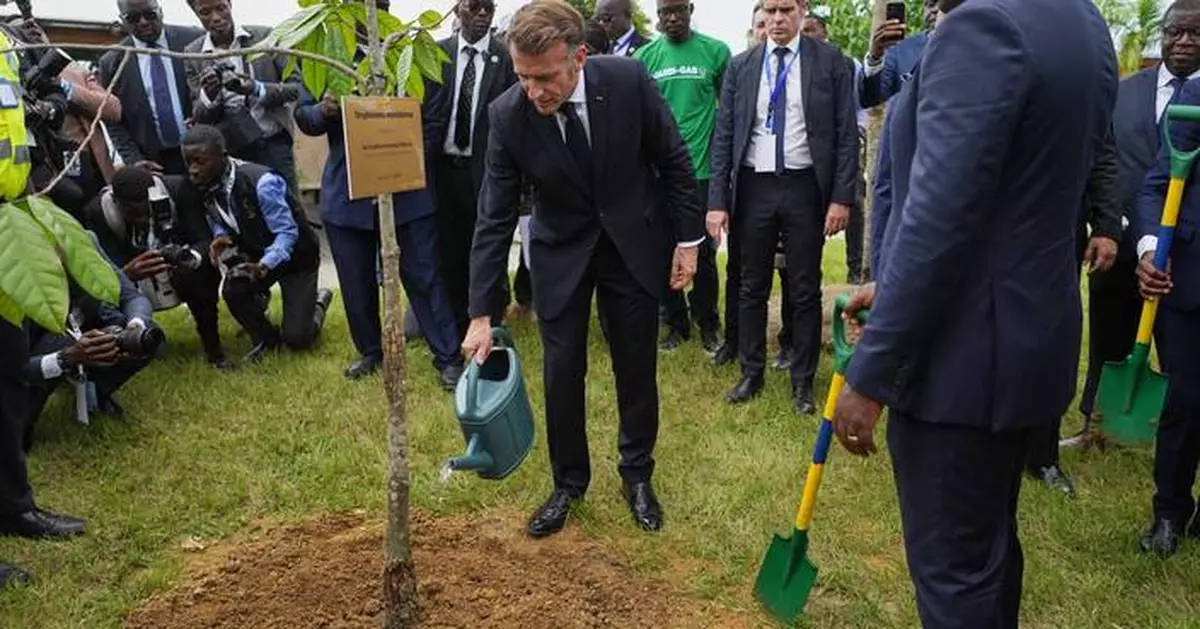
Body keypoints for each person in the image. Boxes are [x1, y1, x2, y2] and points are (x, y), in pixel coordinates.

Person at [832, 0, 1116, 627]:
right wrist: (892, 284)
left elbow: (939, 221)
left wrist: (870, 375)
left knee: (954, 579)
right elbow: (1008, 195)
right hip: (1027, 339)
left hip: (960, 363)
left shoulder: (981, 27)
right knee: (988, 556)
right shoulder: (1083, 22)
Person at [463, 0, 702, 538]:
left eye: (545, 77)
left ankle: (637, 476)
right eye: (524, 77)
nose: (534, 91)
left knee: (635, 367)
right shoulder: (508, 114)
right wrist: (482, 311)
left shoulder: (629, 80)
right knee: (562, 372)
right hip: (560, 252)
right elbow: (494, 216)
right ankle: (568, 483)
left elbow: (673, 160)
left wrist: (687, 241)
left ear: (580, 58)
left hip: (631, 244)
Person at [294, 1, 462, 388]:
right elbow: (304, 117)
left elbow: (434, 113)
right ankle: (371, 350)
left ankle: (448, 357)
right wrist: (325, 109)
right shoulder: (325, 54)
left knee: (424, 274)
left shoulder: (410, 51)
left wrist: (407, 153)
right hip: (348, 194)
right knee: (354, 280)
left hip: (407, 191)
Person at [707, 0, 858, 415]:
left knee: (805, 287)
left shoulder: (830, 62)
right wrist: (718, 201)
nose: (777, 19)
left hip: (804, 185)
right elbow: (724, 137)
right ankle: (751, 371)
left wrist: (841, 197)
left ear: (802, 10)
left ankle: (802, 383)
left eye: (785, 9)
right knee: (751, 284)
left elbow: (846, 133)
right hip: (754, 185)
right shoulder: (742, 66)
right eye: (770, 10)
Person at [1063, 8, 1200, 450]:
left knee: (1178, 348)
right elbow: (1101, 157)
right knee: (1109, 332)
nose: (1183, 40)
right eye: (1174, 31)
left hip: (1187, 245)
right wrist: (1104, 220)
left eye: (1196, 33)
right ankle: (1095, 426)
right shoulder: (1125, 92)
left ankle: (1170, 429)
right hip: (1122, 235)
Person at [1133, 1, 1200, 559]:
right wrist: (1154, 245)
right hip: (1186, 280)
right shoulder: (1192, 99)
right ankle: (1170, 513)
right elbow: (1155, 183)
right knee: (1183, 400)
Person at [178, 124, 333, 363]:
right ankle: (268, 340)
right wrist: (220, 235)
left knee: (298, 339)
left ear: (223, 156)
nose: (193, 170)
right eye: (188, 162)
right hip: (256, 254)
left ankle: (319, 303)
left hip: (296, 258)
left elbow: (287, 234)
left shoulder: (262, 182)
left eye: (200, 161)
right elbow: (218, 215)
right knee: (234, 290)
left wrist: (263, 266)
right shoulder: (204, 184)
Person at [634, 0, 728, 353]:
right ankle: (675, 323)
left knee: (702, 253)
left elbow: (727, 109)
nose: (672, 18)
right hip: (658, 173)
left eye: (678, 10)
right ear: (657, 14)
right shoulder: (644, 58)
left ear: (690, 9)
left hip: (700, 171)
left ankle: (708, 325)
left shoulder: (716, 52)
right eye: (664, 12)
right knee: (660, 251)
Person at [425, 0, 518, 334]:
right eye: (474, 7)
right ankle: (455, 318)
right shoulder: (436, 55)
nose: (482, 15)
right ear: (457, 10)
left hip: (486, 173)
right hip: (442, 171)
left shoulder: (505, 59)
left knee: (486, 247)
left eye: (488, 9)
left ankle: (489, 319)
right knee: (447, 247)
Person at [84, 165, 232, 370]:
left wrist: (189, 258)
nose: (143, 220)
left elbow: (203, 239)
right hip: (132, 278)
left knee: (202, 275)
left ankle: (214, 349)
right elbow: (101, 271)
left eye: (147, 213)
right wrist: (127, 273)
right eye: (134, 215)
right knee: (104, 297)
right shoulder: (97, 212)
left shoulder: (179, 189)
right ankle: (130, 341)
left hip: (177, 265)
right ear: (117, 203)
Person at [24, 233, 160, 449]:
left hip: (72, 327)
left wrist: (134, 328)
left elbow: (132, 298)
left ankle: (95, 395)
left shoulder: (81, 241)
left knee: (144, 337)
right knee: (17, 439)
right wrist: (65, 358)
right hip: (25, 355)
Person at [184, 0, 302, 189]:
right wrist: (209, 95)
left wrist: (256, 88)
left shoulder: (267, 37)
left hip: (273, 144)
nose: (216, 18)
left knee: (286, 207)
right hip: (232, 151)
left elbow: (296, 88)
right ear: (195, 12)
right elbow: (200, 115)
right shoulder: (193, 54)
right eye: (205, 12)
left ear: (230, 4)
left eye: (220, 8)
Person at [99, 0, 203, 176]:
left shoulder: (194, 40)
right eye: (133, 18)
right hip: (155, 164)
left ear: (160, 11)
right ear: (122, 20)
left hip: (203, 150)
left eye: (149, 14)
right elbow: (114, 121)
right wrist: (134, 160)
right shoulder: (111, 63)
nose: (143, 22)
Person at [859, 0, 938, 109]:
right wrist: (874, 57)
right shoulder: (899, 50)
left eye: (941, 4)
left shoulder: (968, 46)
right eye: (930, 4)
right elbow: (873, 102)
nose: (934, 10)